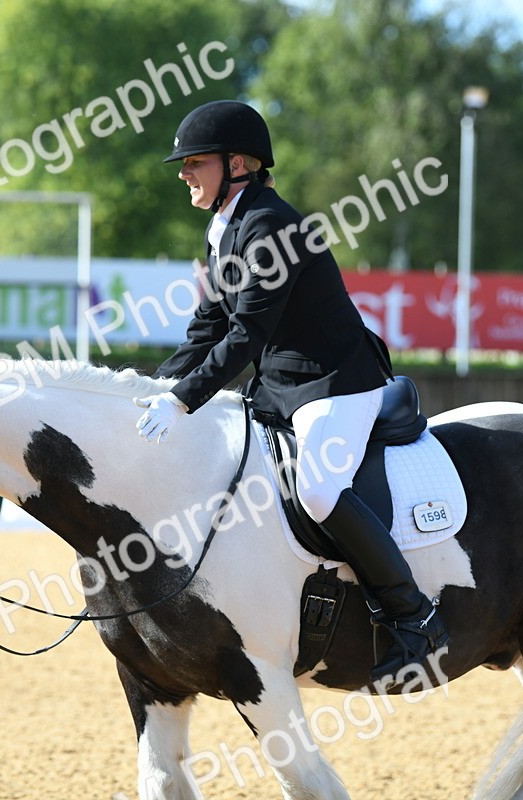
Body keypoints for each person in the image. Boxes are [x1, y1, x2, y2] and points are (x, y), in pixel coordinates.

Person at [133, 100, 447, 684]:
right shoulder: (224, 227)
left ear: (240, 164)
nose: (183, 173)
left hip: (334, 382)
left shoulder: (272, 225)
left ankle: (414, 614)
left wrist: (182, 401)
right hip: (280, 386)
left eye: (195, 162)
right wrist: (154, 387)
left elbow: (247, 333)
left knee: (318, 488)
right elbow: (207, 328)